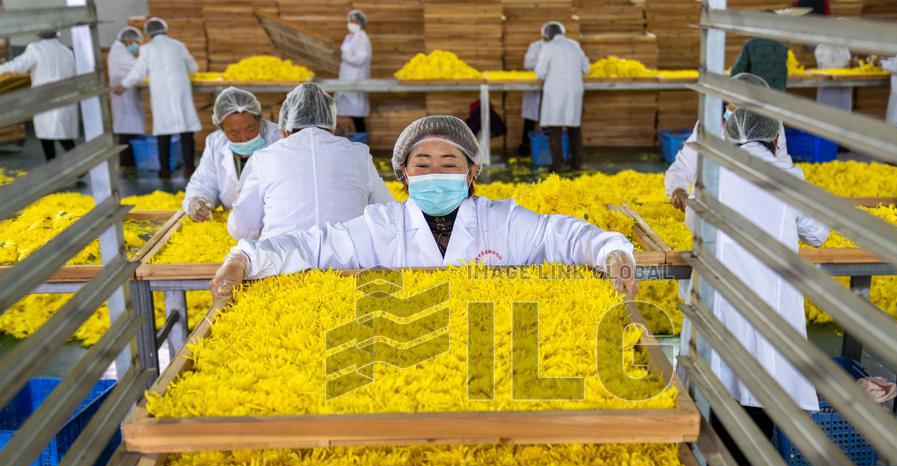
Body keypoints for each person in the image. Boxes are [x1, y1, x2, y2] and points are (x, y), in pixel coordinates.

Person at [211, 115, 637, 300]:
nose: (436, 173)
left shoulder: (502, 219)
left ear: (471, 173)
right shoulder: (379, 224)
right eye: (423, 164)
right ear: (404, 174)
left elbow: (562, 234)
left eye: (449, 164)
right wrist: (245, 259)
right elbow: (312, 246)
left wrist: (610, 250)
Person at [695, 106, 829, 466]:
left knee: (722, 393)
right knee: (760, 400)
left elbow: (694, 223)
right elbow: (818, 233)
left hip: (722, 304)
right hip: (770, 309)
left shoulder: (713, 173)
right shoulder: (788, 177)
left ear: (731, 133)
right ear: (775, 137)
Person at [226, 82, 394, 241]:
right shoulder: (358, 154)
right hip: (350, 258)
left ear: (284, 130)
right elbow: (389, 216)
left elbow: (241, 229)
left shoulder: (265, 158)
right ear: (332, 127)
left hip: (284, 258)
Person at [665, 73, 789, 213]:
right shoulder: (710, 124)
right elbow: (685, 164)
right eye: (730, 107)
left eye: (739, 112)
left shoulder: (771, 127)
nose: (733, 115)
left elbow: (782, 168)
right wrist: (678, 189)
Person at [115, 17, 201, 180]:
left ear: (148, 33)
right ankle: (189, 168)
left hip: (161, 94)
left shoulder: (147, 49)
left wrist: (124, 85)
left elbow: (138, 72)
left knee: (163, 132)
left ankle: (164, 171)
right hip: (180, 91)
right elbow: (193, 67)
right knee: (186, 131)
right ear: (165, 29)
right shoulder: (178, 45)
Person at [183, 88, 283, 221]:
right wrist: (199, 200)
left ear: (260, 120)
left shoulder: (280, 140)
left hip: (272, 220)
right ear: (221, 128)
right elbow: (203, 182)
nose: (244, 138)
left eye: (251, 129)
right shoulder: (215, 143)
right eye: (234, 133)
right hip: (231, 221)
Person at [0, 31, 78, 161]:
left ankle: (53, 164)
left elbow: (18, 66)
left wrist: (1, 69)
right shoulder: (66, 51)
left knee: (47, 136)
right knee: (63, 136)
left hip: (45, 100)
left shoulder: (35, 49)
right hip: (65, 99)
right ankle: (79, 162)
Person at [534, 21, 589, 173]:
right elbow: (586, 68)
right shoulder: (575, 45)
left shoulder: (549, 47)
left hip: (556, 91)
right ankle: (577, 163)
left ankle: (558, 165)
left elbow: (540, 72)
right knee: (574, 127)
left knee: (555, 128)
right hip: (575, 90)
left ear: (547, 35)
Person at [107, 27, 145, 169]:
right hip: (122, 95)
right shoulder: (119, 52)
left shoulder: (122, 51)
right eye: (136, 42)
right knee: (127, 128)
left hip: (127, 93)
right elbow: (139, 68)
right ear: (128, 40)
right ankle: (126, 162)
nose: (136, 46)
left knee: (129, 127)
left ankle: (129, 161)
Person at [338, 9, 372, 134]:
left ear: (361, 23)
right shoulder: (350, 37)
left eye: (355, 22)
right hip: (347, 79)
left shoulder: (362, 38)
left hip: (356, 79)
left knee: (357, 116)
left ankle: (362, 139)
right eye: (351, 21)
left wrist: (345, 56)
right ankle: (355, 139)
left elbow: (360, 59)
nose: (352, 24)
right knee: (350, 114)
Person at [517, 32, 546, 156]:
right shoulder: (535, 46)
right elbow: (527, 64)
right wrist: (545, 64)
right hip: (535, 86)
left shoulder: (558, 48)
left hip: (551, 87)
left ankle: (545, 149)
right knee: (530, 120)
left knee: (548, 120)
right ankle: (525, 147)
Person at [814, 21, 853, 112]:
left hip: (844, 89)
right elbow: (827, 68)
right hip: (830, 90)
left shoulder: (844, 47)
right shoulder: (824, 47)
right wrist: (847, 63)